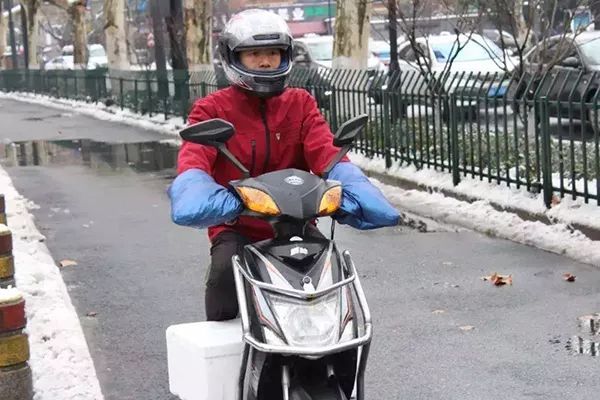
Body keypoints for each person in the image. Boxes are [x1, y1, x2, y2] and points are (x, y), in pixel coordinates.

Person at [168, 9, 399, 321]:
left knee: (331, 276)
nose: (266, 62)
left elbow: (325, 150)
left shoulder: (300, 103)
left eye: (273, 53)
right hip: (237, 226)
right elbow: (195, 157)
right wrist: (196, 189)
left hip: (297, 223)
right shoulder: (211, 109)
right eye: (254, 54)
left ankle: (344, 346)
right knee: (223, 274)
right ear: (233, 58)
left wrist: (352, 183)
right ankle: (223, 346)